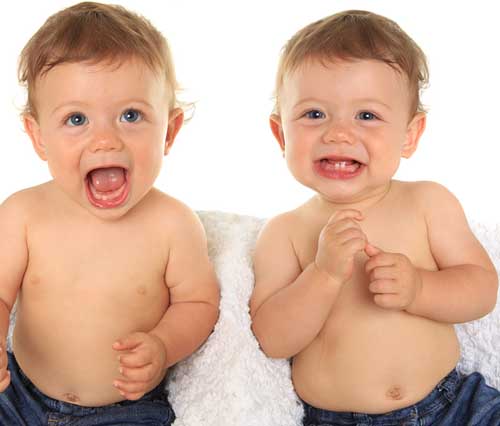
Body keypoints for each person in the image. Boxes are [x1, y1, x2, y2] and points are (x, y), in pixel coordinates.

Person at [250, 10, 500, 426]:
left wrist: (420, 288)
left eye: (366, 116)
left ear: (409, 135)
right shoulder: (285, 232)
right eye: (314, 114)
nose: (338, 133)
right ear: (281, 134)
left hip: (453, 406)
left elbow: (482, 289)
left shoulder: (428, 203)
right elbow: (272, 340)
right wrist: (323, 275)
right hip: (336, 418)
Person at [0, 2, 219, 425]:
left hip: (127, 408)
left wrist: (163, 345)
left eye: (130, 115)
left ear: (169, 130)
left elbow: (198, 302)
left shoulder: (173, 224)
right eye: (76, 119)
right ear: (38, 136)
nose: (105, 140)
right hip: (19, 394)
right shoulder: (23, 214)